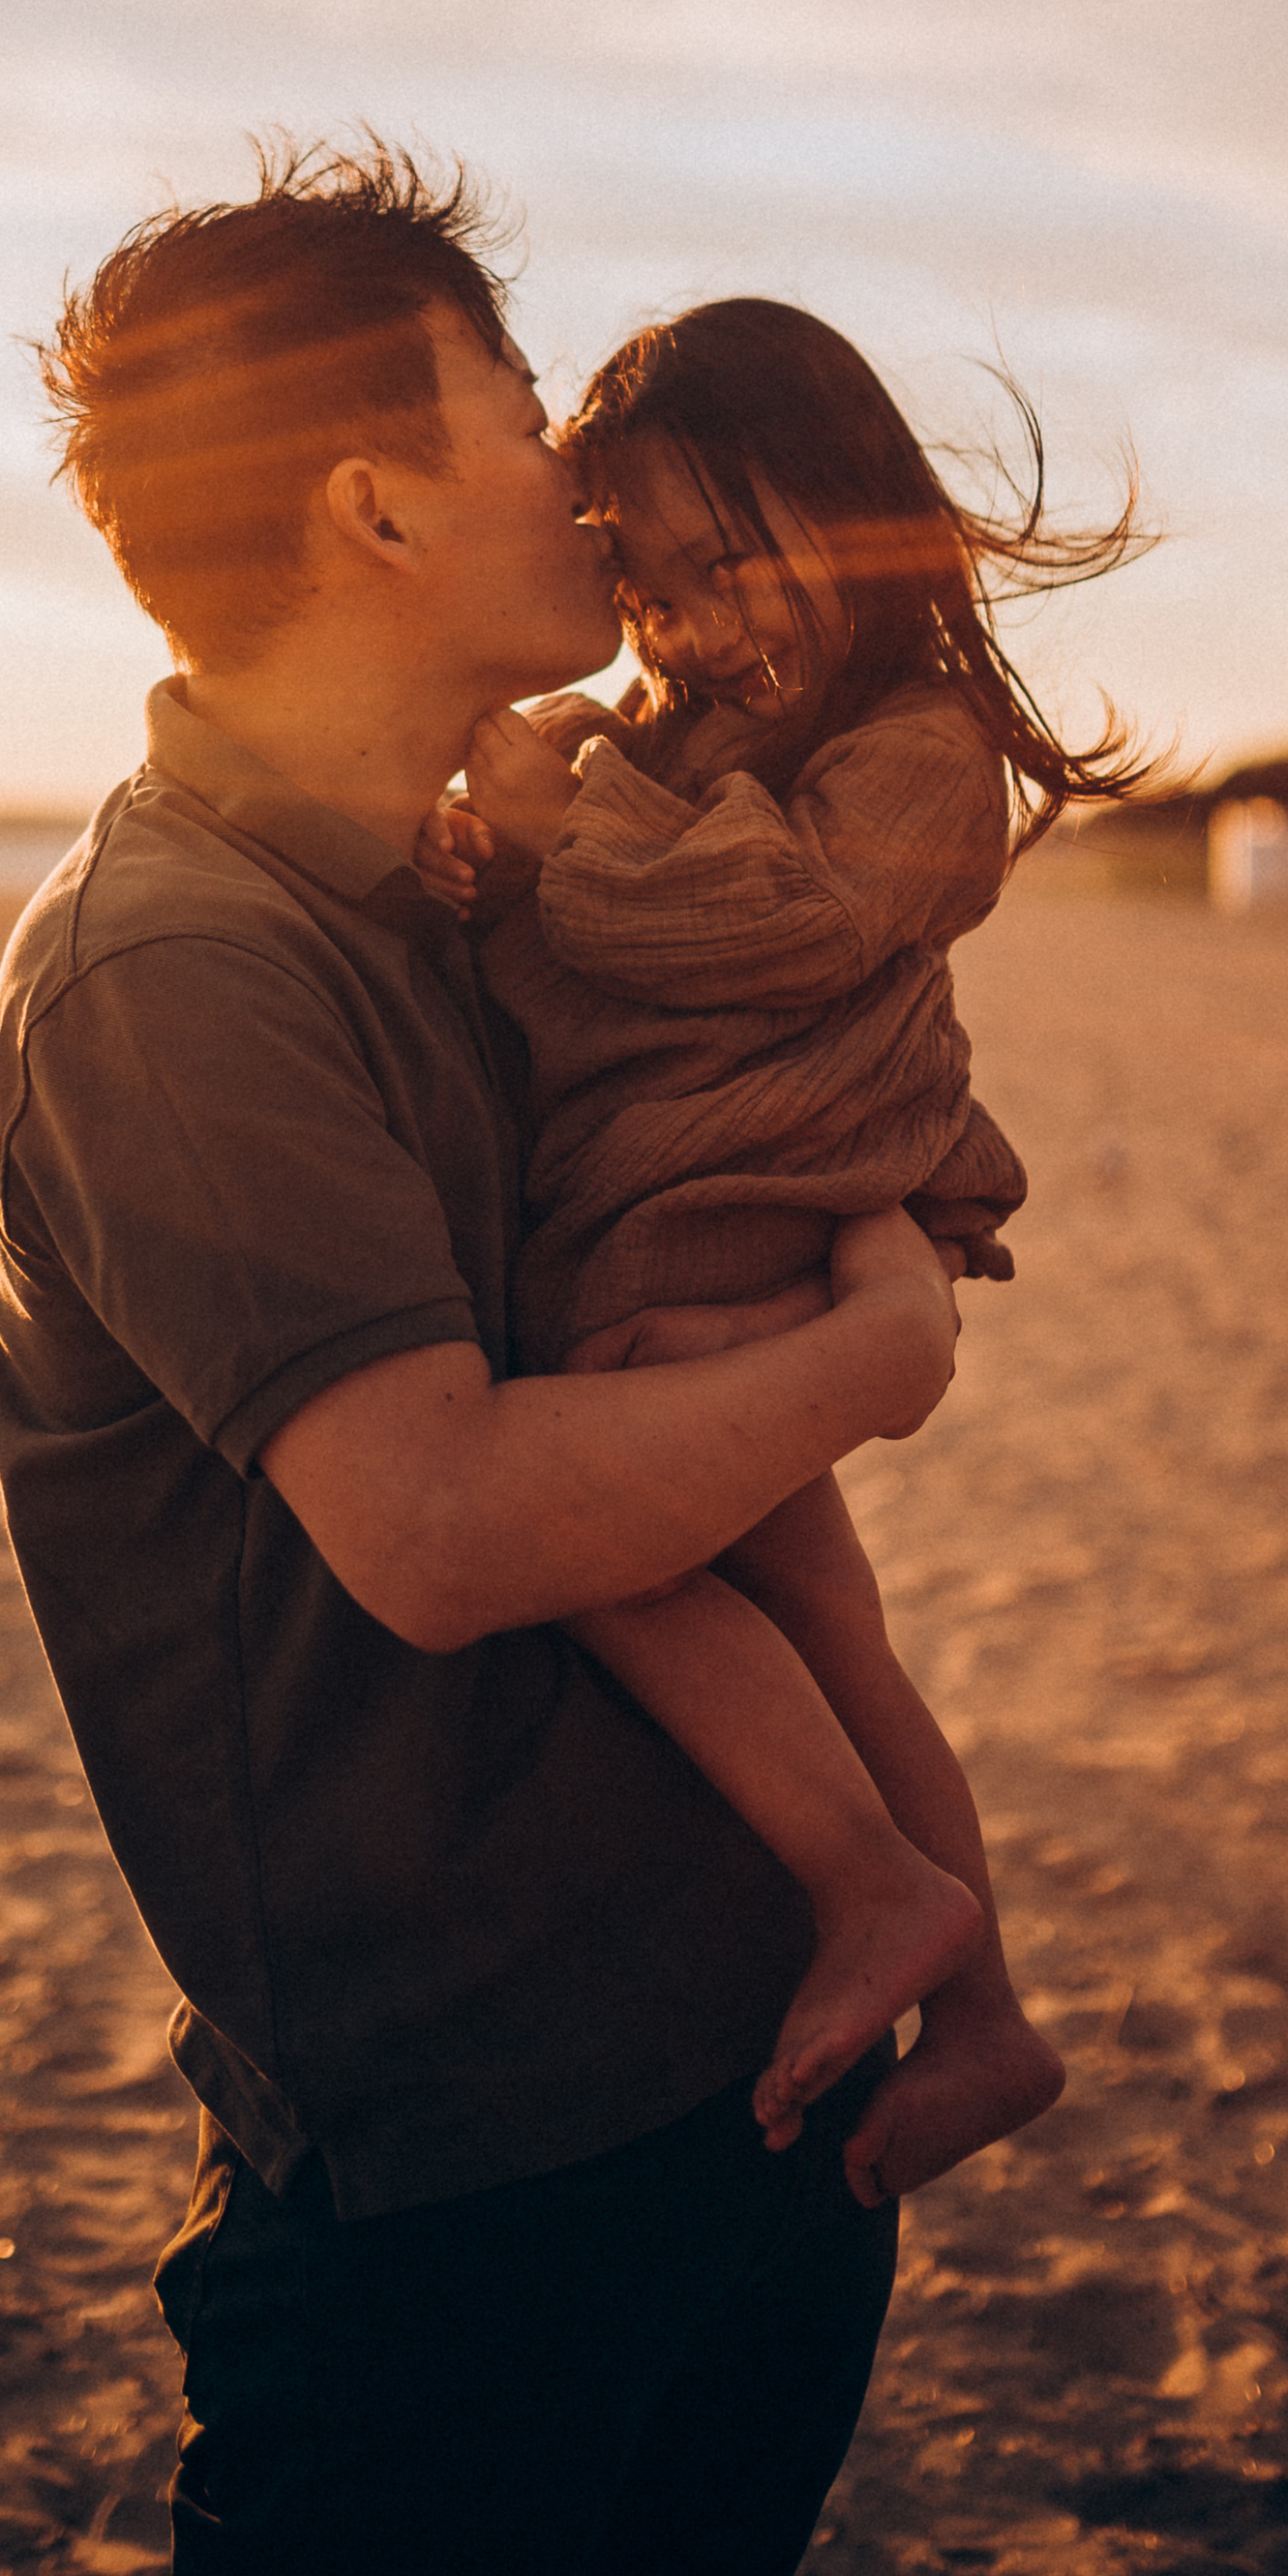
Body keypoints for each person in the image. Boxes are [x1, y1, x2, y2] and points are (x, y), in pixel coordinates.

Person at [0, 142, 970, 2576]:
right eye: (530, 411)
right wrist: (862, 1361)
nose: (587, 474)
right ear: (379, 497)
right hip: (464, 2180)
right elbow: (434, 1524)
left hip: (755, 2081)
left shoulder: (468, 889)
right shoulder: (174, 973)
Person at [416, 295, 1150, 2179]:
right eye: (645, 585)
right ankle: (979, 2016)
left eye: (729, 564)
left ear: (856, 515)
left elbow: (774, 932)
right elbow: (554, 979)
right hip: (658, 1208)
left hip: (727, 1227)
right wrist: (483, 849)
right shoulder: (648, 737)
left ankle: (857, 1876)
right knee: (818, 1611)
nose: (692, 624)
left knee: (591, 1541)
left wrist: (561, 821)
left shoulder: (916, 750)